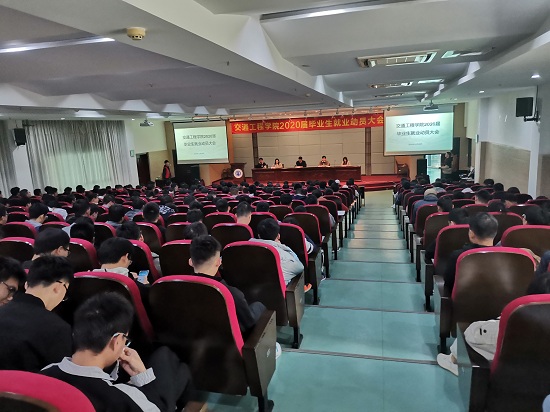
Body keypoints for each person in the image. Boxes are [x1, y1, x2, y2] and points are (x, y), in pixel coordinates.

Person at [42, 292, 205, 412]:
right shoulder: (123, 398)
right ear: (116, 341)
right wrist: (144, 377)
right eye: (125, 339)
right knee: (173, 364)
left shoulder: (43, 374)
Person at [438, 272, 550, 376]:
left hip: (505, 378)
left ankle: (453, 360)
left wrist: (502, 320)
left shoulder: (513, 327)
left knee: (471, 334)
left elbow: (472, 334)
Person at [0, 256, 73, 372]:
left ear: (26, 284)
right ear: (58, 287)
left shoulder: (3, 311)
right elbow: (57, 378)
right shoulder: (58, 329)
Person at [189, 235, 266, 334]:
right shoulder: (231, 294)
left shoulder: (177, 289)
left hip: (195, 338)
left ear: (190, 262)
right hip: (228, 341)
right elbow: (249, 322)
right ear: (218, 262)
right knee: (259, 306)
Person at [444, 212, 498, 291]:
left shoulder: (458, 256)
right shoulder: (506, 256)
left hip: (463, 298)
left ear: (471, 234)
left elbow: (449, 284)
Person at [250, 218, 304, 285]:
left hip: (250, 287)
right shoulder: (282, 254)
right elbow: (300, 267)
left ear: (259, 235)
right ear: (278, 236)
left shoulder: (246, 247)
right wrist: (282, 246)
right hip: (275, 289)